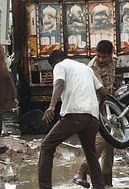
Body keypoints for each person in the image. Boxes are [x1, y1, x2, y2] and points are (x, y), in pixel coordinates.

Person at [38, 50, 106, 189]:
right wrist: (98, 108)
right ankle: (100, 186)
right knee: (91, 154)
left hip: (74, 114)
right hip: (92, 118)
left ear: (54, 63)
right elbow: (102, 92)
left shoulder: (60, 66)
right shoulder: (86, 68)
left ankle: (44, 187)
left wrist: (51, 107)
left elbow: (59, 84)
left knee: (46, 146)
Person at [73, 40, 116, 188]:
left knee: (111, 144)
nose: (101, 60)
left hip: (109, 105)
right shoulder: (92, 67)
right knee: (103, 139)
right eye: (98, 56)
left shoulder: (115, 61)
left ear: (111, 54)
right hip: (94, 105)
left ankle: (106, 181)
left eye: (104, 57)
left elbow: (113, 85)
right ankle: (81, 171)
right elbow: (100, 91)